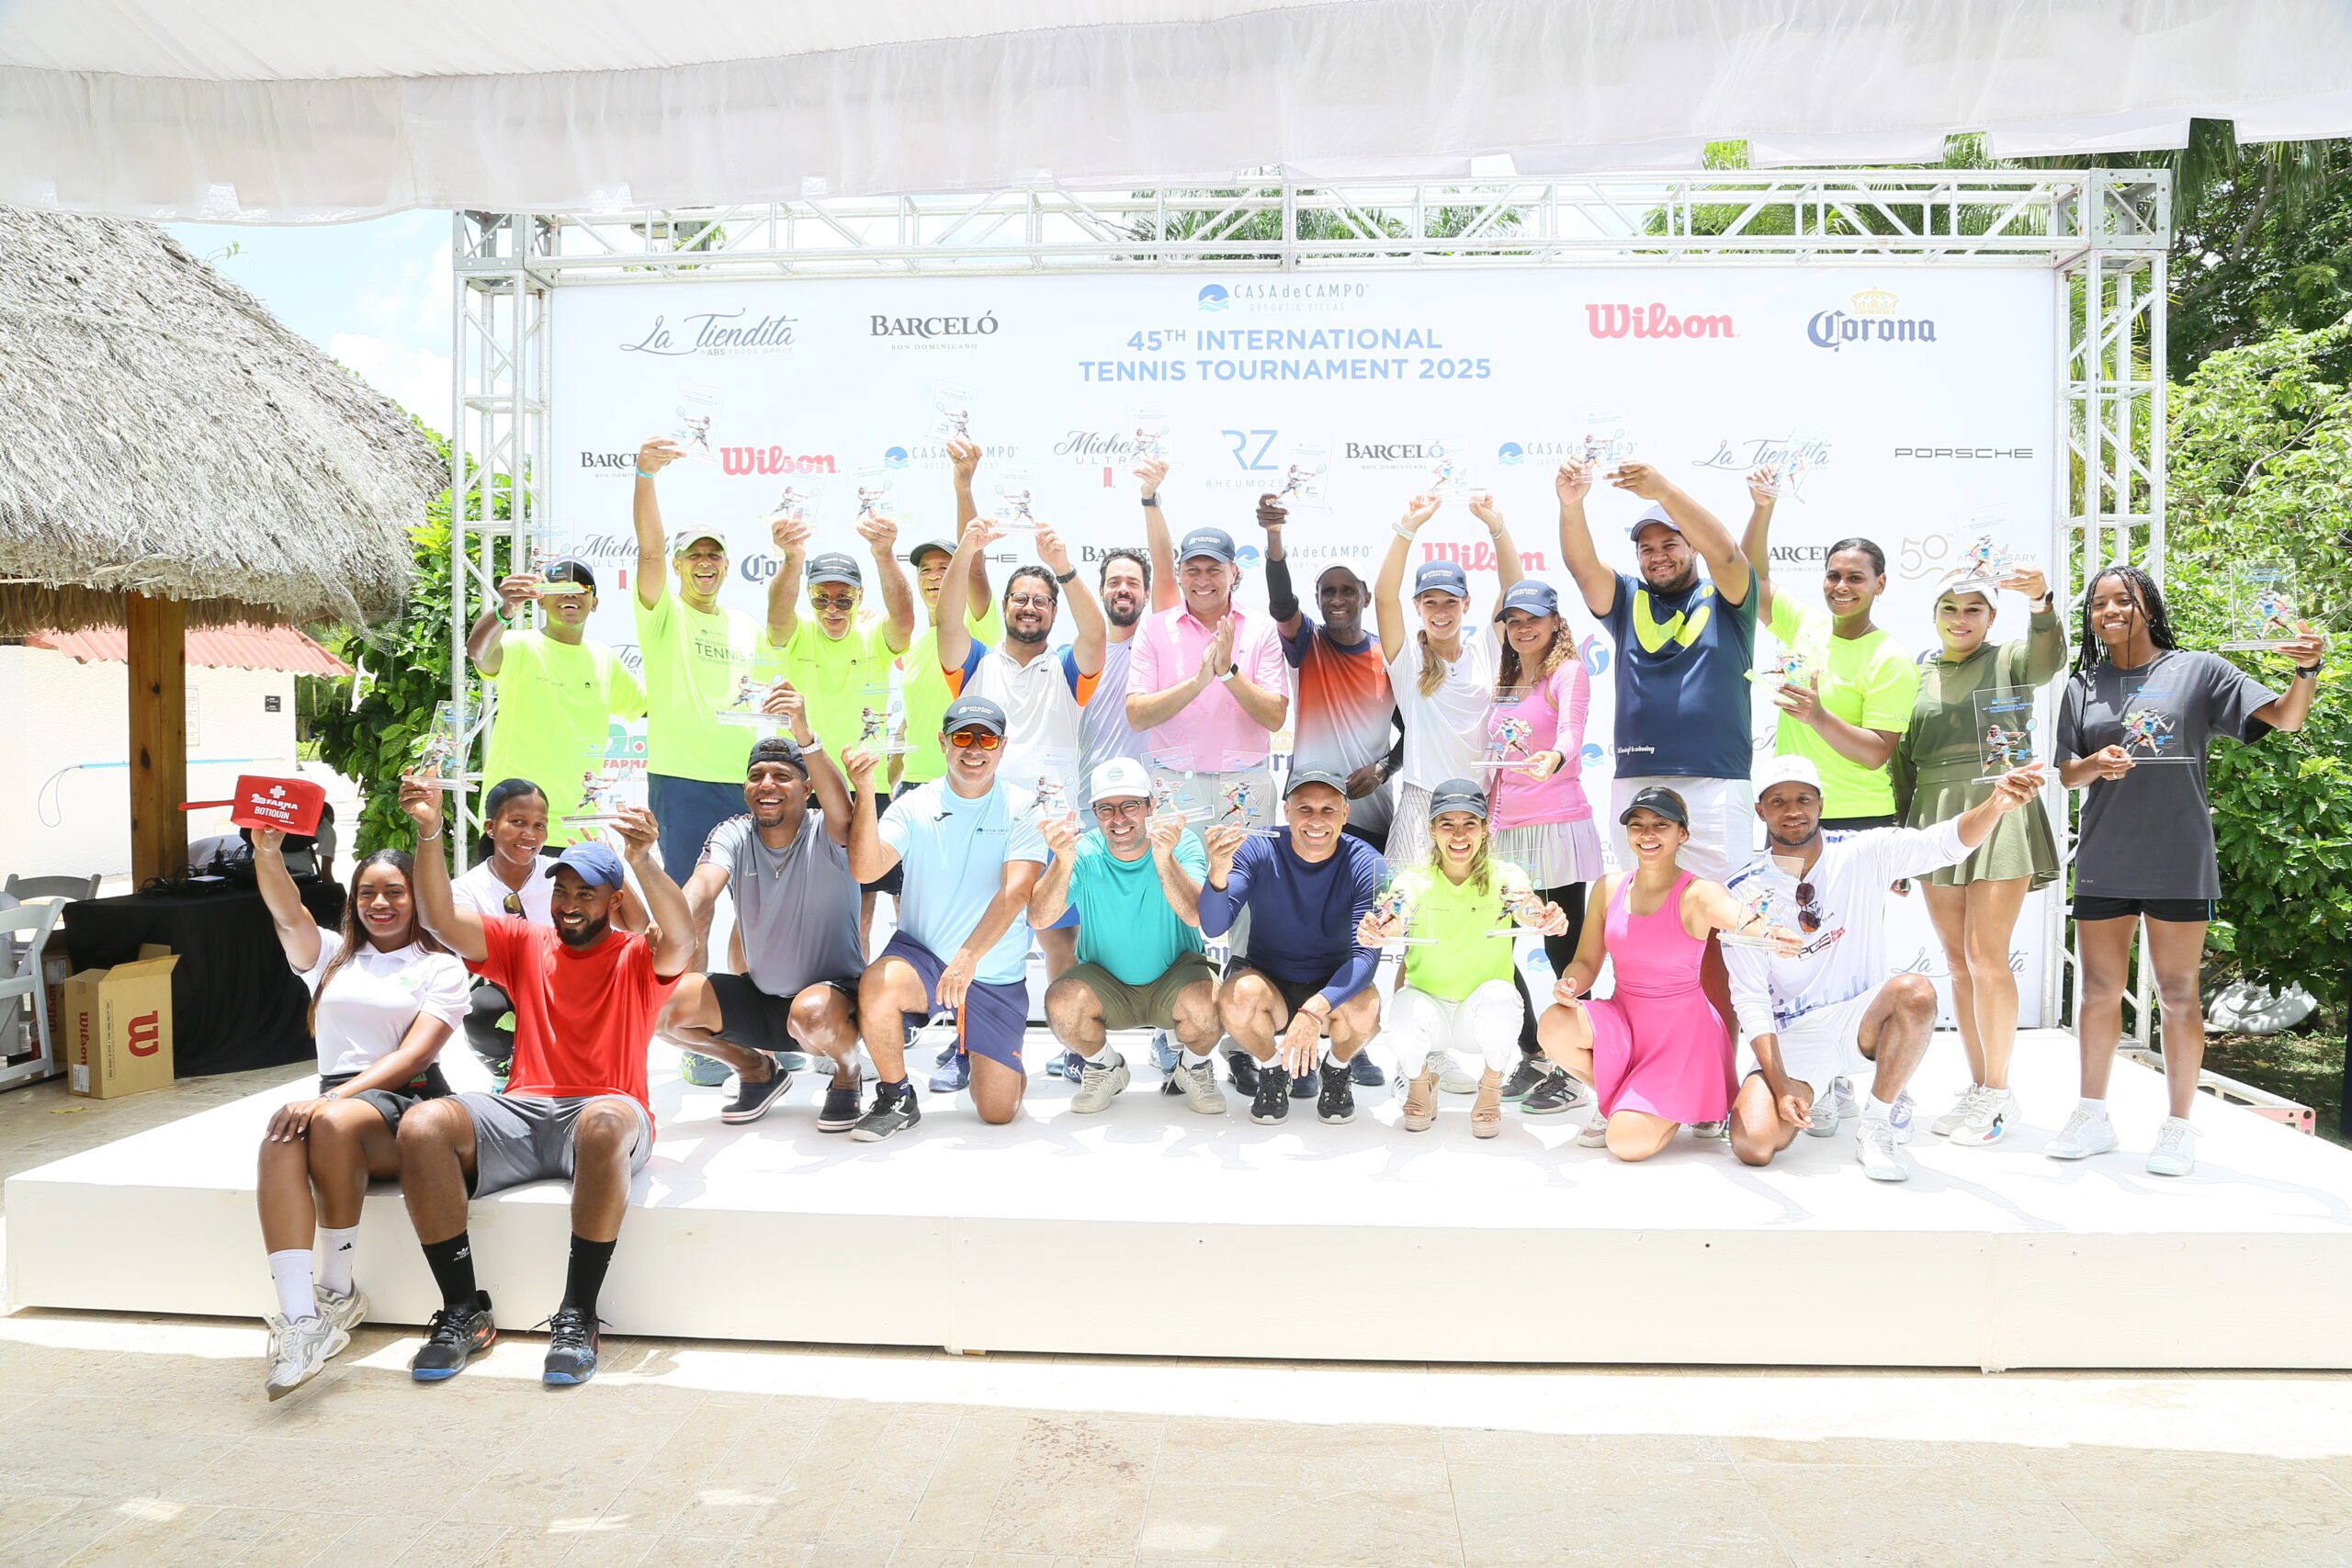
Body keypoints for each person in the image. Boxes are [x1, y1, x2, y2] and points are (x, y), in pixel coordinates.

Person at [396, 780, 695, 1386]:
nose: (569, 904)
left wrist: (642, 861)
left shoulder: (638, 956)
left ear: (614, 901)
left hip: (607, 1113)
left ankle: (578, 1314)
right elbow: (439, 917)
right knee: (423, 1122)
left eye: (586, 892)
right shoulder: (525, 941)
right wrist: (430, 830)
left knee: (605, 1120)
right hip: (525, 1109)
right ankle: (463, 1312)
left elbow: (683, 934)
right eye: (561, 890)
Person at [2050, 564, 2324, 1176]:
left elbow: (2286, 718)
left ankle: (2178, 1127)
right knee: (2096, 991)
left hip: (2178, 854)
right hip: (2104, 854)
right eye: (2099, 604)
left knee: (2177, 993)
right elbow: (2067, 772)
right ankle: (2091, 1114)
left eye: (2124, 599)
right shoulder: (2082, 683)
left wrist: (2305, 670)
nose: (2110, 611)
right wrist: (2095, 762)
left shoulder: (2198, 668)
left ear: (2150, 607)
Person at [1725, 756, 2043, 1181]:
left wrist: (1996, 805)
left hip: (1862, 1018)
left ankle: (1878, 1120)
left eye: (1803, 798)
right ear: (1761, 811)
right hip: (1796, 1033)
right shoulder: (1744, 889)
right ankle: (1820, 1090)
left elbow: (1944, 843)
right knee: (1754, 1144)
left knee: (1915, 991)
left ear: (1821, 803)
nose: (1793, 811)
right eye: (1778, 801)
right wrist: (1782, 1083)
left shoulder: (1863, 851)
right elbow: (1749, 996)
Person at [1555, 457, 1757, 1113]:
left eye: (1671, 542)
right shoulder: (1629, 601)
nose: (1658, 555)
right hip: (1638, 783)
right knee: (1638, 938)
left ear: (1690, 544)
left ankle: (1715, 1089)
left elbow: (1727, 551)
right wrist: (1571, 502)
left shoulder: (1729, 596)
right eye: (1646, 546)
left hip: (1713, 785)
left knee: (1716, 942)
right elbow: (1586, 571)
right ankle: (1636, 1076)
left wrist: (1665, 489)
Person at [251, 836, 468, 1399]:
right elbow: (285, 909)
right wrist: (267, 852)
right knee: (278, 1139)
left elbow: (413, 1057)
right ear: (352, 902)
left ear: (416, 898)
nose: (380, 903)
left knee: (328, 1122)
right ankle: (303, 1321)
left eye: (394, 892)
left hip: (409, 1104)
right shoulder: (329, 956)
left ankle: (337, 1285)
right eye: (367, 892)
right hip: (338, 1104)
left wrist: (332, 1100)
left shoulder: (440, 965)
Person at [1894, 564, 2066, 1146]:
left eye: (1973, 609)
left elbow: (2049, 661)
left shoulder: (2011, 657)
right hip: (1934, 813)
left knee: (1986, 954)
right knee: (1959, 961)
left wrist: (2040, 601)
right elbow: (1902, 759)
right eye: (1950, 608)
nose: (1961, 619)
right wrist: (1899, 843)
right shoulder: (1916, 672)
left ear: (1992, 617)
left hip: (2000, 804)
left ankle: (1998, 1094)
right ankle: (1979, 1088)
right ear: (1934, 615)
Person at [1372, 491, 1530, 1100]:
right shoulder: (1409, 658)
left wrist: (1497, 526)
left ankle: (1466, 1046)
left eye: (1451, 601)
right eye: (1429, 601)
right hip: (1419, 807)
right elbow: (1382, 595)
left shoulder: (1490, 649)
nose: (1440, 611)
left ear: (1466, 605)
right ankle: (1415, 1062)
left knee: (1478, 936)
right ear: (1420, 607)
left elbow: (1513, 593)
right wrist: (1406, 526)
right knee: (1412, 939)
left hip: (1479, 816)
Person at [1536, 787, 1794, 1161]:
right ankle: (1623, 1097)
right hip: (1624, 1022)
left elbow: (1736, 915)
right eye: (1637, 825)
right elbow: (1587, 963)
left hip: (1682, 1039)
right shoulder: (1608, 888)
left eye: (1661, 824)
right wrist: (1571, 983)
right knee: (1553, 1025)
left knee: (1625, 1144)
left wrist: (1770, 933)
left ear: (1682, 834)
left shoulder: (1699, 892)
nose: (1648, 834)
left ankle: (1674, 1103)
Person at [843, 696, 1047, 1138]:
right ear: (942, 741)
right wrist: (863, 790)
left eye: (986, 738)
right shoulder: (915, 803)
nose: (974, 749)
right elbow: (865, 868)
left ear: (1002, 745)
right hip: (925, 959)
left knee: (997, 1112)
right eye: (963, 737)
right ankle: (897, 1096)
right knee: (876, 984)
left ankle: (980, 1050)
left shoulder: (1025, 806)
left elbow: (1016, 894)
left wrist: (969, 958)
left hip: (991, 971)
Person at [662, 696, 865, 1130]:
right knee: (659, 1008)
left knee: (809, 1014)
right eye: (756, 776)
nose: (766, 784)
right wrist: (663, 913)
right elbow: (701, 888)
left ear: (807, 789)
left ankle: (848, 1076)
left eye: (782, 775)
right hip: (761, 998)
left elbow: (843, 809)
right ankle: (757, 1070)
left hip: (830, 1002)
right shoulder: (734, 832)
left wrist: (803, 732)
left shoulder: (828, 832)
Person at [936, 512, 1107, 987]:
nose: (1029, 607)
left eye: (1041, 601)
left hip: (1054, 828)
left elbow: (1095, 634)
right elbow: (947, 619)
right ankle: (964, 1046)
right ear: (1005, 605)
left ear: (1054, 611)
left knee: (1060, 944)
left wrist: (1064, 568)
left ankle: (1074, 1050)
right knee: (978, 941)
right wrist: (966, 551)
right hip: (986, 823)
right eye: (1020, 599)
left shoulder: (1070, 667)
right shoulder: (973, 662)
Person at [1360, 781, 1566, 1137]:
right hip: (1431, 1012)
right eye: (1447, 824)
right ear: (1432, 830)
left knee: (1502, 996)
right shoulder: (1415, 880)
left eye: (1469, 823)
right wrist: (1381, 928)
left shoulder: (1505, 876)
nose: (1458, 835)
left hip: (1478, 1018)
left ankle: (1490, 1087)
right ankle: (1420, 1083)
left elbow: (1525, 905)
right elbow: (1396, 911)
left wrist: (1544, 918)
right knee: (1402, 1008)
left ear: (1485, 829)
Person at [764, 498, 918, 954]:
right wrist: (792, 560)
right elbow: (776, 616)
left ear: (859, 599)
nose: (833, 608)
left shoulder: (874, 635)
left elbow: (905, 622)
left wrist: (885, 554)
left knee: (865, 906)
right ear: (808, 597)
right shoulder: (796, 633)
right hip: (805, 785)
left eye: (844, 598)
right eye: (822, 598)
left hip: (864, 786)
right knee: (789, 901)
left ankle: (860, 1000)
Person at [1031, 758, 1225, 1115]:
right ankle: (1106, 1067)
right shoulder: (1084, 850)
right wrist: (1061, 859)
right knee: (1060, 1002)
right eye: (1106, 808)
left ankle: (1193, 1067)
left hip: (1176, 976)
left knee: (1210, 1001)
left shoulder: (1181, 844)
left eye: (1130, 806)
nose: (1118, 819)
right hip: (1107, 983)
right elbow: (1040, 917)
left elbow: (1196, 915)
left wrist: (1164, 858)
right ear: (1094, 812)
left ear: (1150, 806)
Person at [629, 436, 779, 884]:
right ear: (677, 566)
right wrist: (645, 475)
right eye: (694, 554)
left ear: (728, 565)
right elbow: (650, 550)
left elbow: (777, 684)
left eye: (713, 554)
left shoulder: (746, 625)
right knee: (687, 910)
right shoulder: (664, 615)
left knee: (756, 910)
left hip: (745, 782)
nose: (704, 563)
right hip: (681, 782)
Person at [1200, 769, 1387, 1126]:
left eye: (1328, 810)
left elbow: (1366, 956)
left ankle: (1336, 1070)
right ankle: (1273, 1070)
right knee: (1235, 997)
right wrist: (1218, 872)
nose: (1316, 820)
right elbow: (1213, 924)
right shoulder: (1259, 846)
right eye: (1305, 809)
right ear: (1286, 810)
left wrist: (1315, 1009)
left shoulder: (1367, 862)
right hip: (1270, 982)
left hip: (1333, 985)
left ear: (1346, 814)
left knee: (1368, 1008)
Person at [1743, 479, 1919, 829]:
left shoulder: (1891, 658)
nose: (1841, 587)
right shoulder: (1804, 623)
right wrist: (1763, 507)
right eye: (1833, 576)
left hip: (1858, 816)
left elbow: (1876, 753)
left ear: (1879, 584)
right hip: (1791, 817)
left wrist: (1817, 715)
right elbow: (1749, 580)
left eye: (1856, 578)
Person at [1482, 579, 1604, 1077]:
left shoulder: (1568, 672)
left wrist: (1555, 756)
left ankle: (1582, 1064)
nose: (1523, 628)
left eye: (1533, 618)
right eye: (1514, 620)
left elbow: (1573, 732)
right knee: (1495, 950)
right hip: (1503, 833)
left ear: (1556, 622)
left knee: (1563, 951)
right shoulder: (1507, 680)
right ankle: (1535, 1051)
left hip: (1554, 827)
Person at [466, 557, 646, 846]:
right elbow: (477, 651)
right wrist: (505, 609)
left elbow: (651, 709)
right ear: (540, 601)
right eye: (560, 586)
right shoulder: (519, 644)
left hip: (578, 831)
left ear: (594, 603)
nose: (571, 593)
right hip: (514, 824)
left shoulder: (604, 658)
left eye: (581, 586)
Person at [1261, 492, 1402, 852]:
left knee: (1366, 911)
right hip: (1310, 820)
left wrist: (1383, 770)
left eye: (1347, 591)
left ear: (1366, 598)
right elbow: (1281, 604)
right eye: (1328, 592)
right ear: (1318, 597)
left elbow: (1418, 730)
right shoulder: (1307, 643)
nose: (1337, 599)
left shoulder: (1389, 657)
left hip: (1370, 820)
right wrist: (1274, 535)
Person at [1124, 524, 1288, 832]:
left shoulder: (1261, 627)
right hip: (1175, 780)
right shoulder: (1154, 627)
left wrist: (1227, 672)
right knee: (1178, 878)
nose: (1202, 580)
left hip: (1244, 780)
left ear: (1234, 572)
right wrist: (1198, 681)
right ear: (1179, 573)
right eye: (1193, 569)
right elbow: (1137, 715)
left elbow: (1275, 716)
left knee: (1246, 878)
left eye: (1214, 569)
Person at [892, 437, 1001, 795]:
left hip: (962, 782)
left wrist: (963, 487)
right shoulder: (915, 644)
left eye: (946, 566)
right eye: (926, 569)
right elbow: (910, 721)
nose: (936, 575)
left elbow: (973, 570)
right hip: (912, 786)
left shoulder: (976, 624)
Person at [448, 777, 552, 1080]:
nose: (530, 834)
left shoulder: (561, 873)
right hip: (508, 987)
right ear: (491, 827)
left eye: (539, 825)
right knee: (482, 1008)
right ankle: (506, 1076)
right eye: (518, 822)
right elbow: (487, 960)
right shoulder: (466, 889)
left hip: (567, 985)